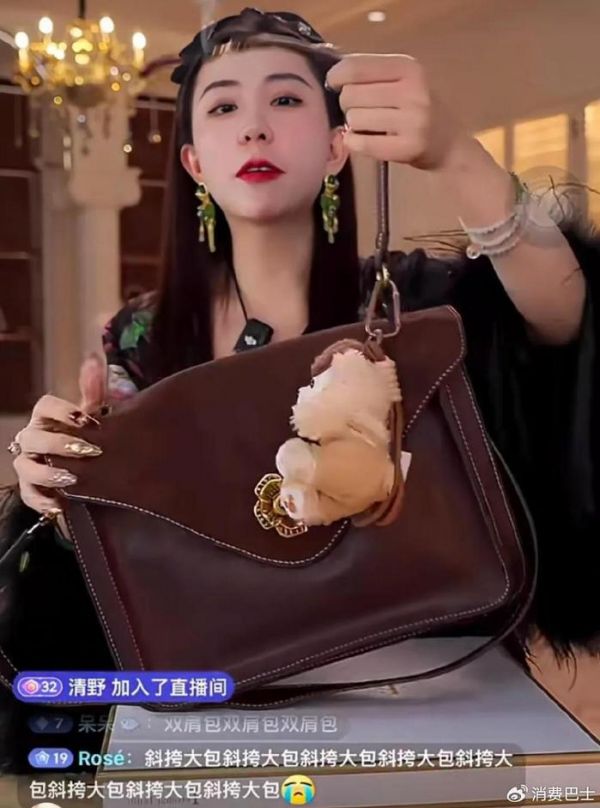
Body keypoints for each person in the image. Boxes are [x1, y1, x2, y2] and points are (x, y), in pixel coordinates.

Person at [2, 6, 600, 769]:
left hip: (423, 674)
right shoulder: (140, 336)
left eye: (286, 99)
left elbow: (563, 314)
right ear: (194, 163)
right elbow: (126, 553)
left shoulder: (412, 300)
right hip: (221, 692)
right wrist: (56, 487)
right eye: (224, 107)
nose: (255, 128)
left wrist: (457, 153)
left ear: (337, 144)